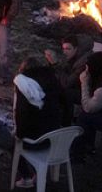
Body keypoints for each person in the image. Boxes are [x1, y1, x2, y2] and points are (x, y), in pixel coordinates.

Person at [12, 56, 71, 188]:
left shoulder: (24, 84)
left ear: (22, 70)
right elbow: (67, 103)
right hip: (57, 139)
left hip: (38, 140)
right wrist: (66, 126)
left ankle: (26, 177)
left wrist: (19, 135)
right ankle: (43, 172)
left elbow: (22, 113)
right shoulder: (52, 80)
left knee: (13, 142)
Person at [45, 34, 96, 107]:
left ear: (77, 49)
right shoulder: (76, 58)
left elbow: (67, 84)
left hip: (88, 95)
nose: (64, 52)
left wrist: (55, 64)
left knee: (58, 92)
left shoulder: (84, 63)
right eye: (63, 49)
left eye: (68, 49)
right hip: (78, 88)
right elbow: (65, 71)